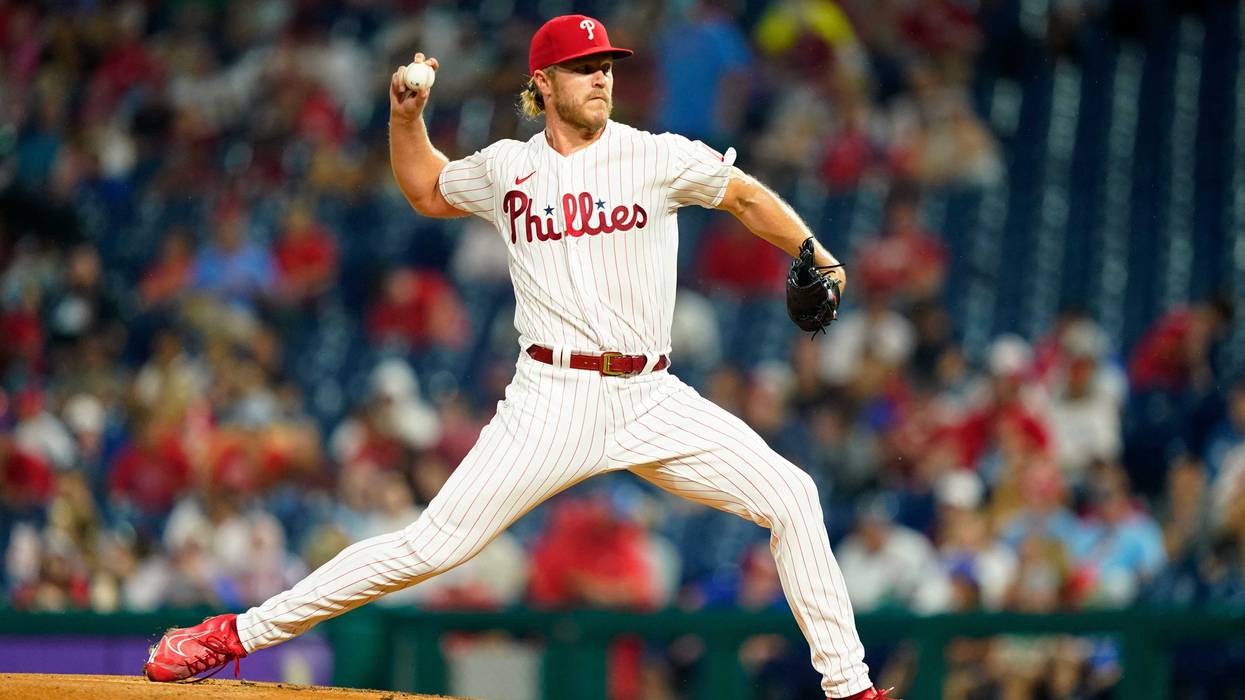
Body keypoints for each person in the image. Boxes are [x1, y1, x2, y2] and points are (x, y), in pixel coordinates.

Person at [143, 14, 887, 700]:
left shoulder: (657, 156)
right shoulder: (506, 168)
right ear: (542, 84)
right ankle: (232, 635)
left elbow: (744, 195)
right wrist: (407, 117)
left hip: (651, 397)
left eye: (606, 65)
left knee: (791, 497)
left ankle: (849, 689)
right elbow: (427, 189)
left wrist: (811, 249)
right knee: (429, 547)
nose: (601, 77)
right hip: (550, 396)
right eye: (582, 66)